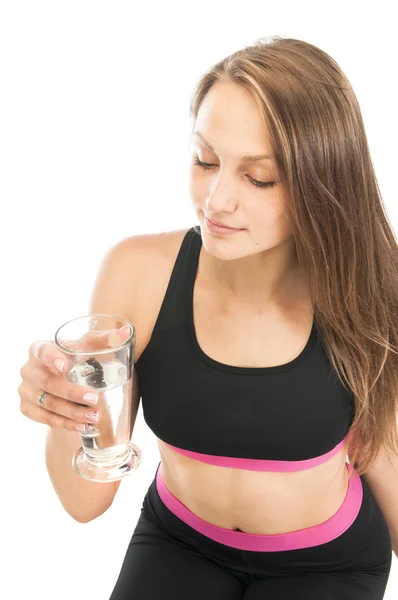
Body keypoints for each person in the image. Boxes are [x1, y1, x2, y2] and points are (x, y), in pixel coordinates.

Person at [18, 36, 398, 599]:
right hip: (181, 540)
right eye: (205, 160)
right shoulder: (137, 273)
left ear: (323, 183)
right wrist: (62, 413)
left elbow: (387, 459)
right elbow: (83, 504)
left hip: (326, 562)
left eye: (258, 177)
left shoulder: (369, 288)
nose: (216, 200)